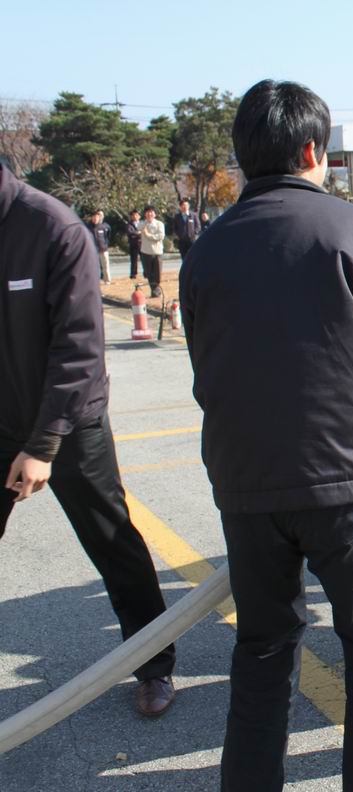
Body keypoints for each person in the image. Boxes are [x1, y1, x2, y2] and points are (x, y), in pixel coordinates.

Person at [180, 79, 353, 792]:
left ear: (242, 155)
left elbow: (206, 369)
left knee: (261, 653)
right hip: (347, 477)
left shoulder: (206, 249)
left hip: (245, 482)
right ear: (313, 149)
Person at [0, 161, 177, 717]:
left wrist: (43, 445)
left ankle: (154, 665)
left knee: (112, 540)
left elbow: (78, 350)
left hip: (69, 423)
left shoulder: (53, 229)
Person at [138, 206, 166, 297]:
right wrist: (145, 226)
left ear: (154, 214)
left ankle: (157, 290)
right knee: (149, 272)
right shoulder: (142, 224)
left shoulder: (159, 224)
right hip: (146, 252)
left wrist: (148, 235)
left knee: (157, 272)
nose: (149, 214)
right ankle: (153, 290)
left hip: (157, 252)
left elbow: (160, 236)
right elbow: (138, 227)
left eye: (151, 212)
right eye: (147, 212)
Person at [89, 209, 112, 283]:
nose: (95, 219)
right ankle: (95, 280)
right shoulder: (88, 227)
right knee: (94, 266)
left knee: (106, 266)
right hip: (93, 250)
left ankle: (107, 280)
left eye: (97, 217)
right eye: (94, 217)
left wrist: (105, 245)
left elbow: (108, 237)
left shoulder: (105, 226)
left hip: (103, 249)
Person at [126, 210, 142, 278]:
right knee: (133, 260)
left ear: (139, 216)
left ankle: (146, 273)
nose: (135, 216)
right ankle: (133, 274)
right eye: (133, 215)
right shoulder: (129, 224)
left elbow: (145, 231)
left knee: (144, 259)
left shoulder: (142, 223)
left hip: (142, 244)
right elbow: (130, 232)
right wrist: (138, 233)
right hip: (133, 244)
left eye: (136, 215)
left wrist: (140, 233)